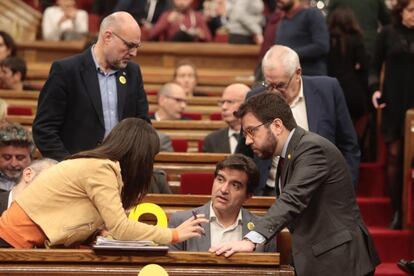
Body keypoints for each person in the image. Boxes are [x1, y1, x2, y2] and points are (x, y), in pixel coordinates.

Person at [210, 92, 380, 276]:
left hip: (340, 262)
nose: (248, 140)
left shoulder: (311, 148)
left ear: (277, 125)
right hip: (322, 259)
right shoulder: (290, 154)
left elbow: (292, 199)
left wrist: (251, 240)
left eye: (252, 131)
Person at [0, 118, 207, 248]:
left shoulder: (101, 166)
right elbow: (120, 228)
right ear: (140, 156)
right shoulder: (102, 168)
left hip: (19, 241)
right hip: (10, 241)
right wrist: (174, 234)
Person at [237, 45, 360, 195]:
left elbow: (349, 146)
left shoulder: (328, 90)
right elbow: (243, 153)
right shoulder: (254, 97)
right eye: (269, 85)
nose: (274, 91)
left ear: (297, 73)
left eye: (280, 85)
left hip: (320, 191)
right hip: (270, 191)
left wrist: (345, 188)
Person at [33, 11, 150, 161]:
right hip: (76, 173)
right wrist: (68, 166)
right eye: (129, 45)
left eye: (137, 46)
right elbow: (44, 130)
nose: (134, 53)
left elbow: (142, 126)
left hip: (121, 172)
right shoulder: (66, 71)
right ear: (108, 37)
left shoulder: (133, 73)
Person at [169, 154, 275, 252]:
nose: (224, 190)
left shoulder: (263, 230)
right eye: (220, 179)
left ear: (248, 196)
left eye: (235, 185)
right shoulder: (182, 221)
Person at [370, 0, 414, 229]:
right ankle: (397, 210)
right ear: (400, 11)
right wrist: (375, 88)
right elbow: (374, 65)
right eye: (411, 10)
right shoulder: (387, 33)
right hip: (394, 101)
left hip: (413, 104)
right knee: (396, 157)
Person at [327, 7, 370, 142]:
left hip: (331, 91)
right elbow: (363, 64)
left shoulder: (328, 40)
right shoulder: (356, 39)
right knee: (352, 133)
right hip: (353, 91)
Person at [274, 0, 329, 76]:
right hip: (288, 78)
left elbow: (322, 46)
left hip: (310, 79)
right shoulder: (283, 20)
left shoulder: (311, 14)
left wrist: (289, 54)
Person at [202, 84, 249, 153]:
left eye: (230, 102)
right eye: (222, 102)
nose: (224, 107)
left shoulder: (256, 137)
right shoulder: (211, 140)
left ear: (246, 104)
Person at [0, 123, 34, 192]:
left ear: (30, 157)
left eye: (20, 158)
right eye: (7, 157)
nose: (13, 164)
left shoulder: (40, 182)